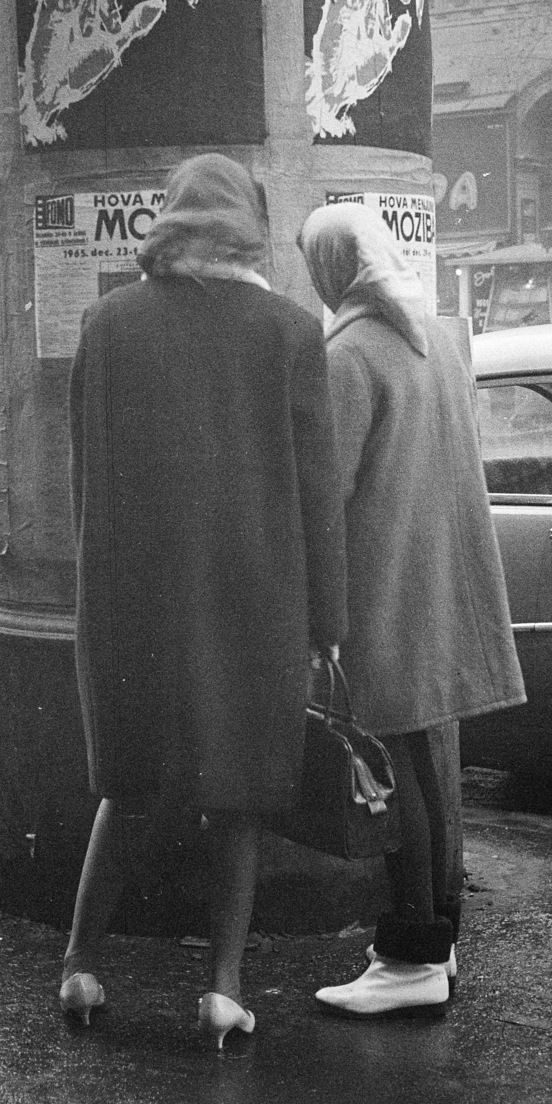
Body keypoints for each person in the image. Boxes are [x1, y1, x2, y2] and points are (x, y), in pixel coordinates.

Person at [61, 154, 347, 1047]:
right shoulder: (293, 332)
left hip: (134, 598)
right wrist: (326, 624)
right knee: (241, 796)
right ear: (251, 226)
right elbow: (316, 495)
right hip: (253, 598)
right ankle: (223, 987)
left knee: (128, 783)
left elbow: (87, 475)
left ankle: (78, 966)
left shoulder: (108, 324)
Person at [298, 203, 525, 1016]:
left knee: (390, 776)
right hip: (433, 578)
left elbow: (323, 498)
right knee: (422, 765)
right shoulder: (429, 338)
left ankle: (410, 957)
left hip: (380, 585)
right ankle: (437, 940)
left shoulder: (348, 353)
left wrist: (317, 616)